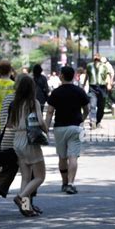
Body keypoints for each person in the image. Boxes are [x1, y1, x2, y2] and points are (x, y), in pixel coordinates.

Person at [46, 65, 90, 195]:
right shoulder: (79, 91)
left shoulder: (56, 92)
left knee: (62, 157)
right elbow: (87, 109)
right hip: (75, 127)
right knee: (73, 157)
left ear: (61, 76)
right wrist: (82, 119)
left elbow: (49, 112)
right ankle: (71, 183)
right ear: (73, 76)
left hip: (59, 127)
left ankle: (64, 182)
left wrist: (46, 128)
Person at [8, 74, 48, 217]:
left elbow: (10, 124)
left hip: (17, 140)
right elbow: (41, 121)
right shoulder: (33, 102)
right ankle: (21, 197)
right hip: (29, 140)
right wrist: (46, 131)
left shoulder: (15, 103)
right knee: (40, 176)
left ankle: (26, 208)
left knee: (26, 177)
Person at [83, 53, 110, 128]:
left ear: (100, 59)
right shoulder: (89, 66)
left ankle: (98, 121)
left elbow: (107, 75)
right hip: (92, 88)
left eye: (97, 58)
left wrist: (109, 84)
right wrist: (83, 84)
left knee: (101, 107)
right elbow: (87, 75)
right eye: (95, 58)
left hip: (102, 87)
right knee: (92, 105)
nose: (96, 59)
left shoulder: (104, 66)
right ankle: (93, 121)